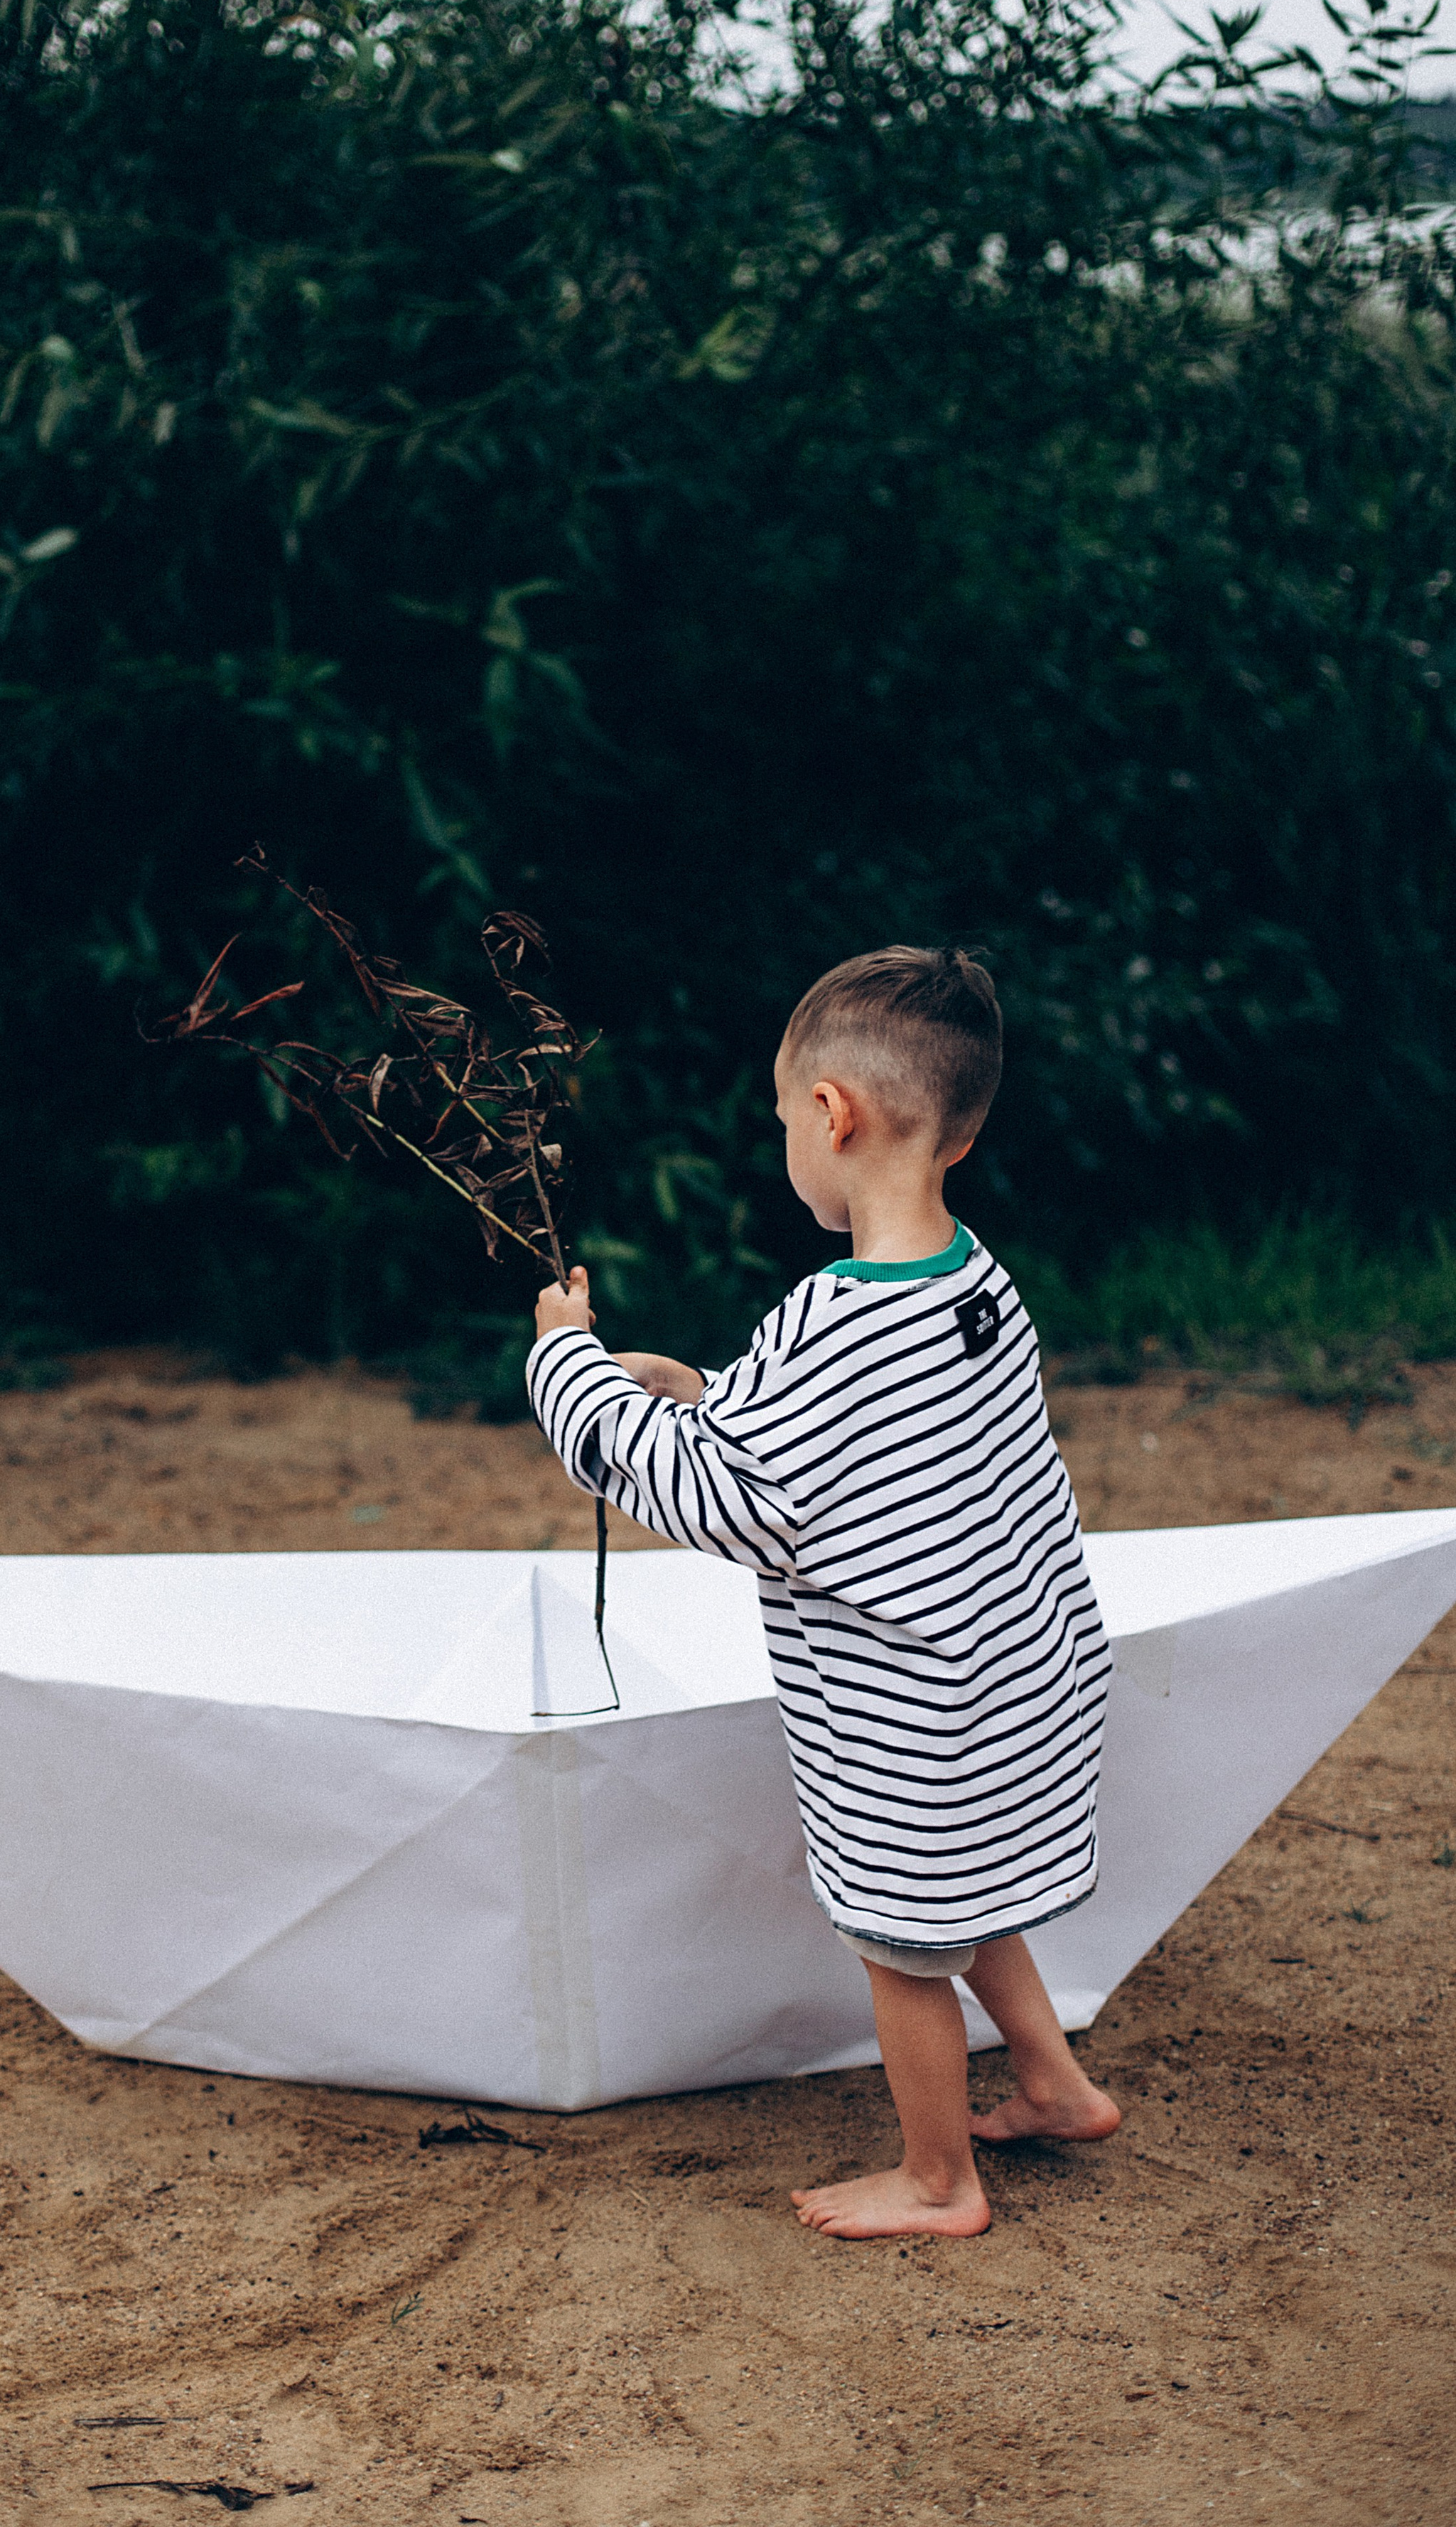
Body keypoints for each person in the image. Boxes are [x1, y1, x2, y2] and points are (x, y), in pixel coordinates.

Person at [527, 945, 1118, 2238]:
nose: (785, 1141)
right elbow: (837, 1450)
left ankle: (937, 2178)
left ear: (832, 1113)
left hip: (912, 1724)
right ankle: (1055, 2082)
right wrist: (697, 1394)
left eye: (783, 1118)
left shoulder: (831, 1322)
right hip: (1018, 1685)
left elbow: (727, 1502)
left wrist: (571, 1374)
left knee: (906, 1948)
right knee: (978, 1901)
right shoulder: (973, 1283)